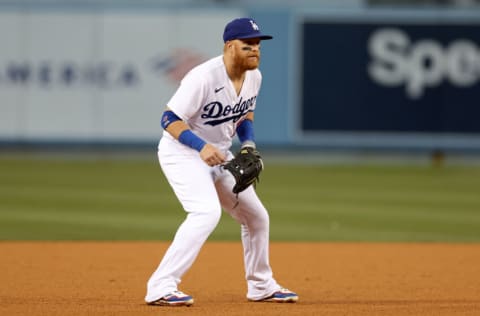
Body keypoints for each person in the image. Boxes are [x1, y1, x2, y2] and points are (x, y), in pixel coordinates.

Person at [145, 17, 298, 307]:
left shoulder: (255, 76)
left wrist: (249, 144)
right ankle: (160, 286)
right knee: (205, 213)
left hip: (221, 154)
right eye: (248, 45)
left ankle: (261, 286)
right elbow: (169, 119)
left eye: (257, 45)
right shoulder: (202, 77)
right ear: (229, 46)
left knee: (256, 218)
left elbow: (244, 115)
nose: (255, 50)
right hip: (183, 152)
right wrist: (201, 147)